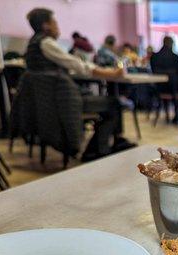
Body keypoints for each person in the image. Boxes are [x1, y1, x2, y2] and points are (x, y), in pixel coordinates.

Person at [25, 8, 134, 161]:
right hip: (64, 102)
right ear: (46, 25)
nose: (58, 26)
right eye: (54, 22)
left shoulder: (32, 45)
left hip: (49, 103)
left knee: (109, 104)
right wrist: (112, 74)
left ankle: (104, 146)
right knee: (114, 103)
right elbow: (77, 65)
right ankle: (97, 151)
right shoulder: (46, 43)